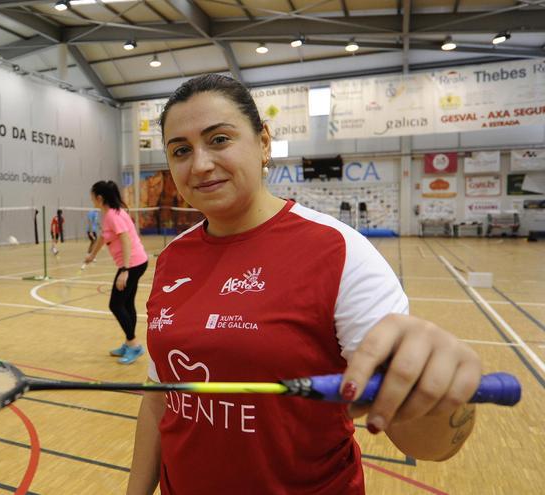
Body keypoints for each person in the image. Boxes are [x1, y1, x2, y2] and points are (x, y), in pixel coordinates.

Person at [127, 74, 482, 494]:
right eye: (181, 150)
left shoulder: (338, 251)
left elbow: (427, 444)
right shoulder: (171, 259)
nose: (200, 164)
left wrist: (439, 392)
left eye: (219, 140)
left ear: (263, 143)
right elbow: (161, 397)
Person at [84, 181, 149, 364]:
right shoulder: (110, 214)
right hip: (136, 262)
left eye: (92, 196)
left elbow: (126, 240)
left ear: (99, 198)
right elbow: (104, 237)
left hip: (133, 264)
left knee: (116, 304)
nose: (91, 200)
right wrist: (92, 255)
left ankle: (134, 346)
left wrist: (125, 270)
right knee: (127, 304)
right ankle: (129, 343)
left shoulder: (113, 215)